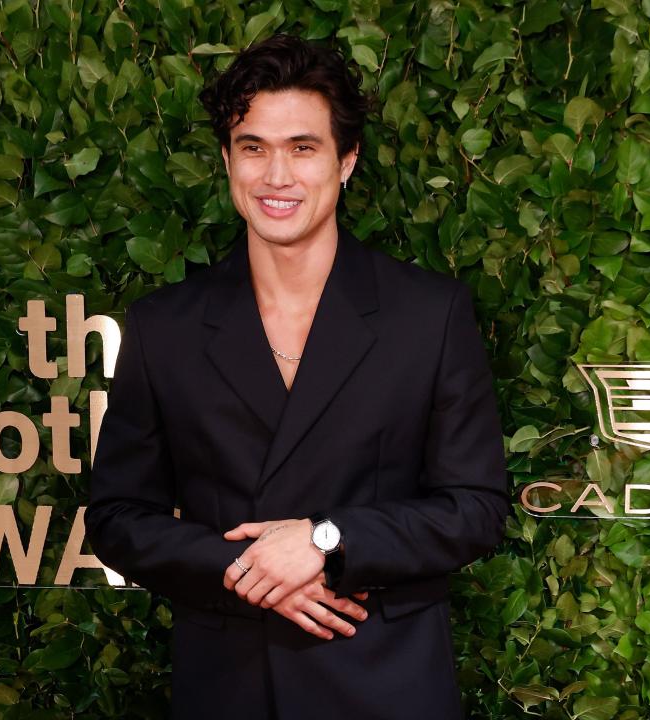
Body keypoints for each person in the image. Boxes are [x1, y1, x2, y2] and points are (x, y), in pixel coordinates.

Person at [85, 33, 508, 720]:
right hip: (230, 687)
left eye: (302, 148)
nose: (276, 175)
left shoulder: (428, 315)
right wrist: (245, 570)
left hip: (386, 686)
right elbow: (117, 518)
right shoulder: (167, 325)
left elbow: (475, 510)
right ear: (227, 160)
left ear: (346, 161)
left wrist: (322, 541)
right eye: (253, 147)